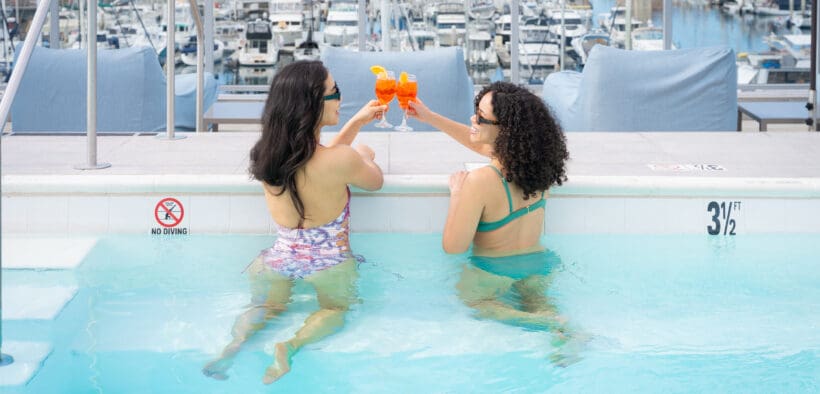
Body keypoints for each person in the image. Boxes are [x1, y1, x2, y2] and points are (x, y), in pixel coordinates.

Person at [203, 61, 386, 384]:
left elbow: (319, 156)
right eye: (335, 92)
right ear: (313, 104)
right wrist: (366, 154)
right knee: (335, 310)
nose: (341, 99)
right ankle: (291, 345)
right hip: (330, 263)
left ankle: (232, 347)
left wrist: (355, 122)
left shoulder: (266, 156)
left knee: (266, 308)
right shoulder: (341, 161)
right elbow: (374, 181)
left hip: (278, 259)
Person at [407, 82, 578, 363]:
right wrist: (430, 117)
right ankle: (559, 326)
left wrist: (458, 195)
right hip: (536, 264)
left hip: (491, 274)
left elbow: (453, 247)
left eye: (481, 118)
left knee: (474, 302)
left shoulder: (481, 182)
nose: (473, 120)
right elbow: (484, 143)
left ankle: (548, 325)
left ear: (504, 132)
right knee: (541, 305)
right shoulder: (538, 166)